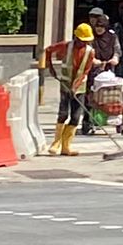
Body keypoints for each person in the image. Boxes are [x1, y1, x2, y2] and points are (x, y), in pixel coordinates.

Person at [40, 23, 96, 156]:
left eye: (86, 41)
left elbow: (85, 72)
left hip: (80, 87)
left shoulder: (90, 52)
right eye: (82, 40)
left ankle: (66, 146)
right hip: (65, 84)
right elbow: (48, 50)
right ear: (76, 37)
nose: (84, 43)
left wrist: (75, 87)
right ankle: (56, 143)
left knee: (76, 117)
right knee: (63, 113)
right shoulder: (67, 46)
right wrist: (51, 68)